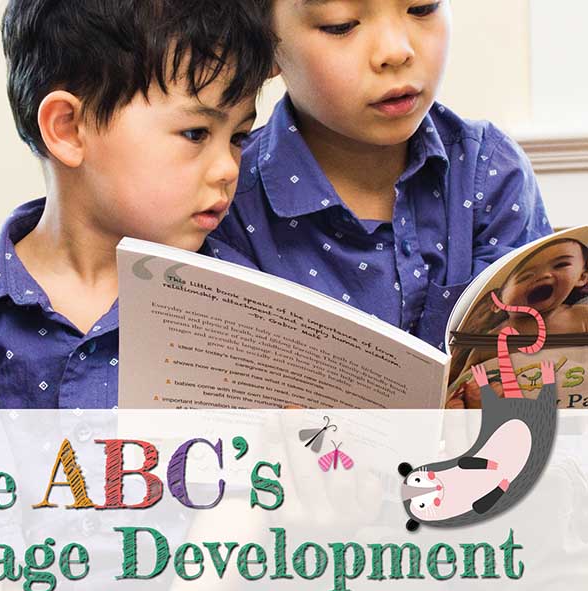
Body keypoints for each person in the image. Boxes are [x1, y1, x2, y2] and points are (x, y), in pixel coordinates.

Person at [0, 0, 275, 407]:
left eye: (238, 138)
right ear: (69, 129)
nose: (229, 169)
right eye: (196, 133)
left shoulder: (252, 312)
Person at [212, 0, 553, 350]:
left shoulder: (492, 172)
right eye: (341, 25)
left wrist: (506, 399)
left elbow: (535, 388)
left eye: (423, 7)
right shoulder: (224, 200)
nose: (396, 52)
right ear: (263, 44)